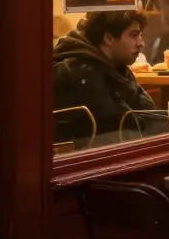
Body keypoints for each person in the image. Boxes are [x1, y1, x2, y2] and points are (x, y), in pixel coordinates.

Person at [52, 11, 158, 146]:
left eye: (140, 35)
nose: (141, 43)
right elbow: (119, 129)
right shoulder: (80, 74)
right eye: (134, 35)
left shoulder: (118, 67)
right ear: (109, 38)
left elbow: (151, 116)